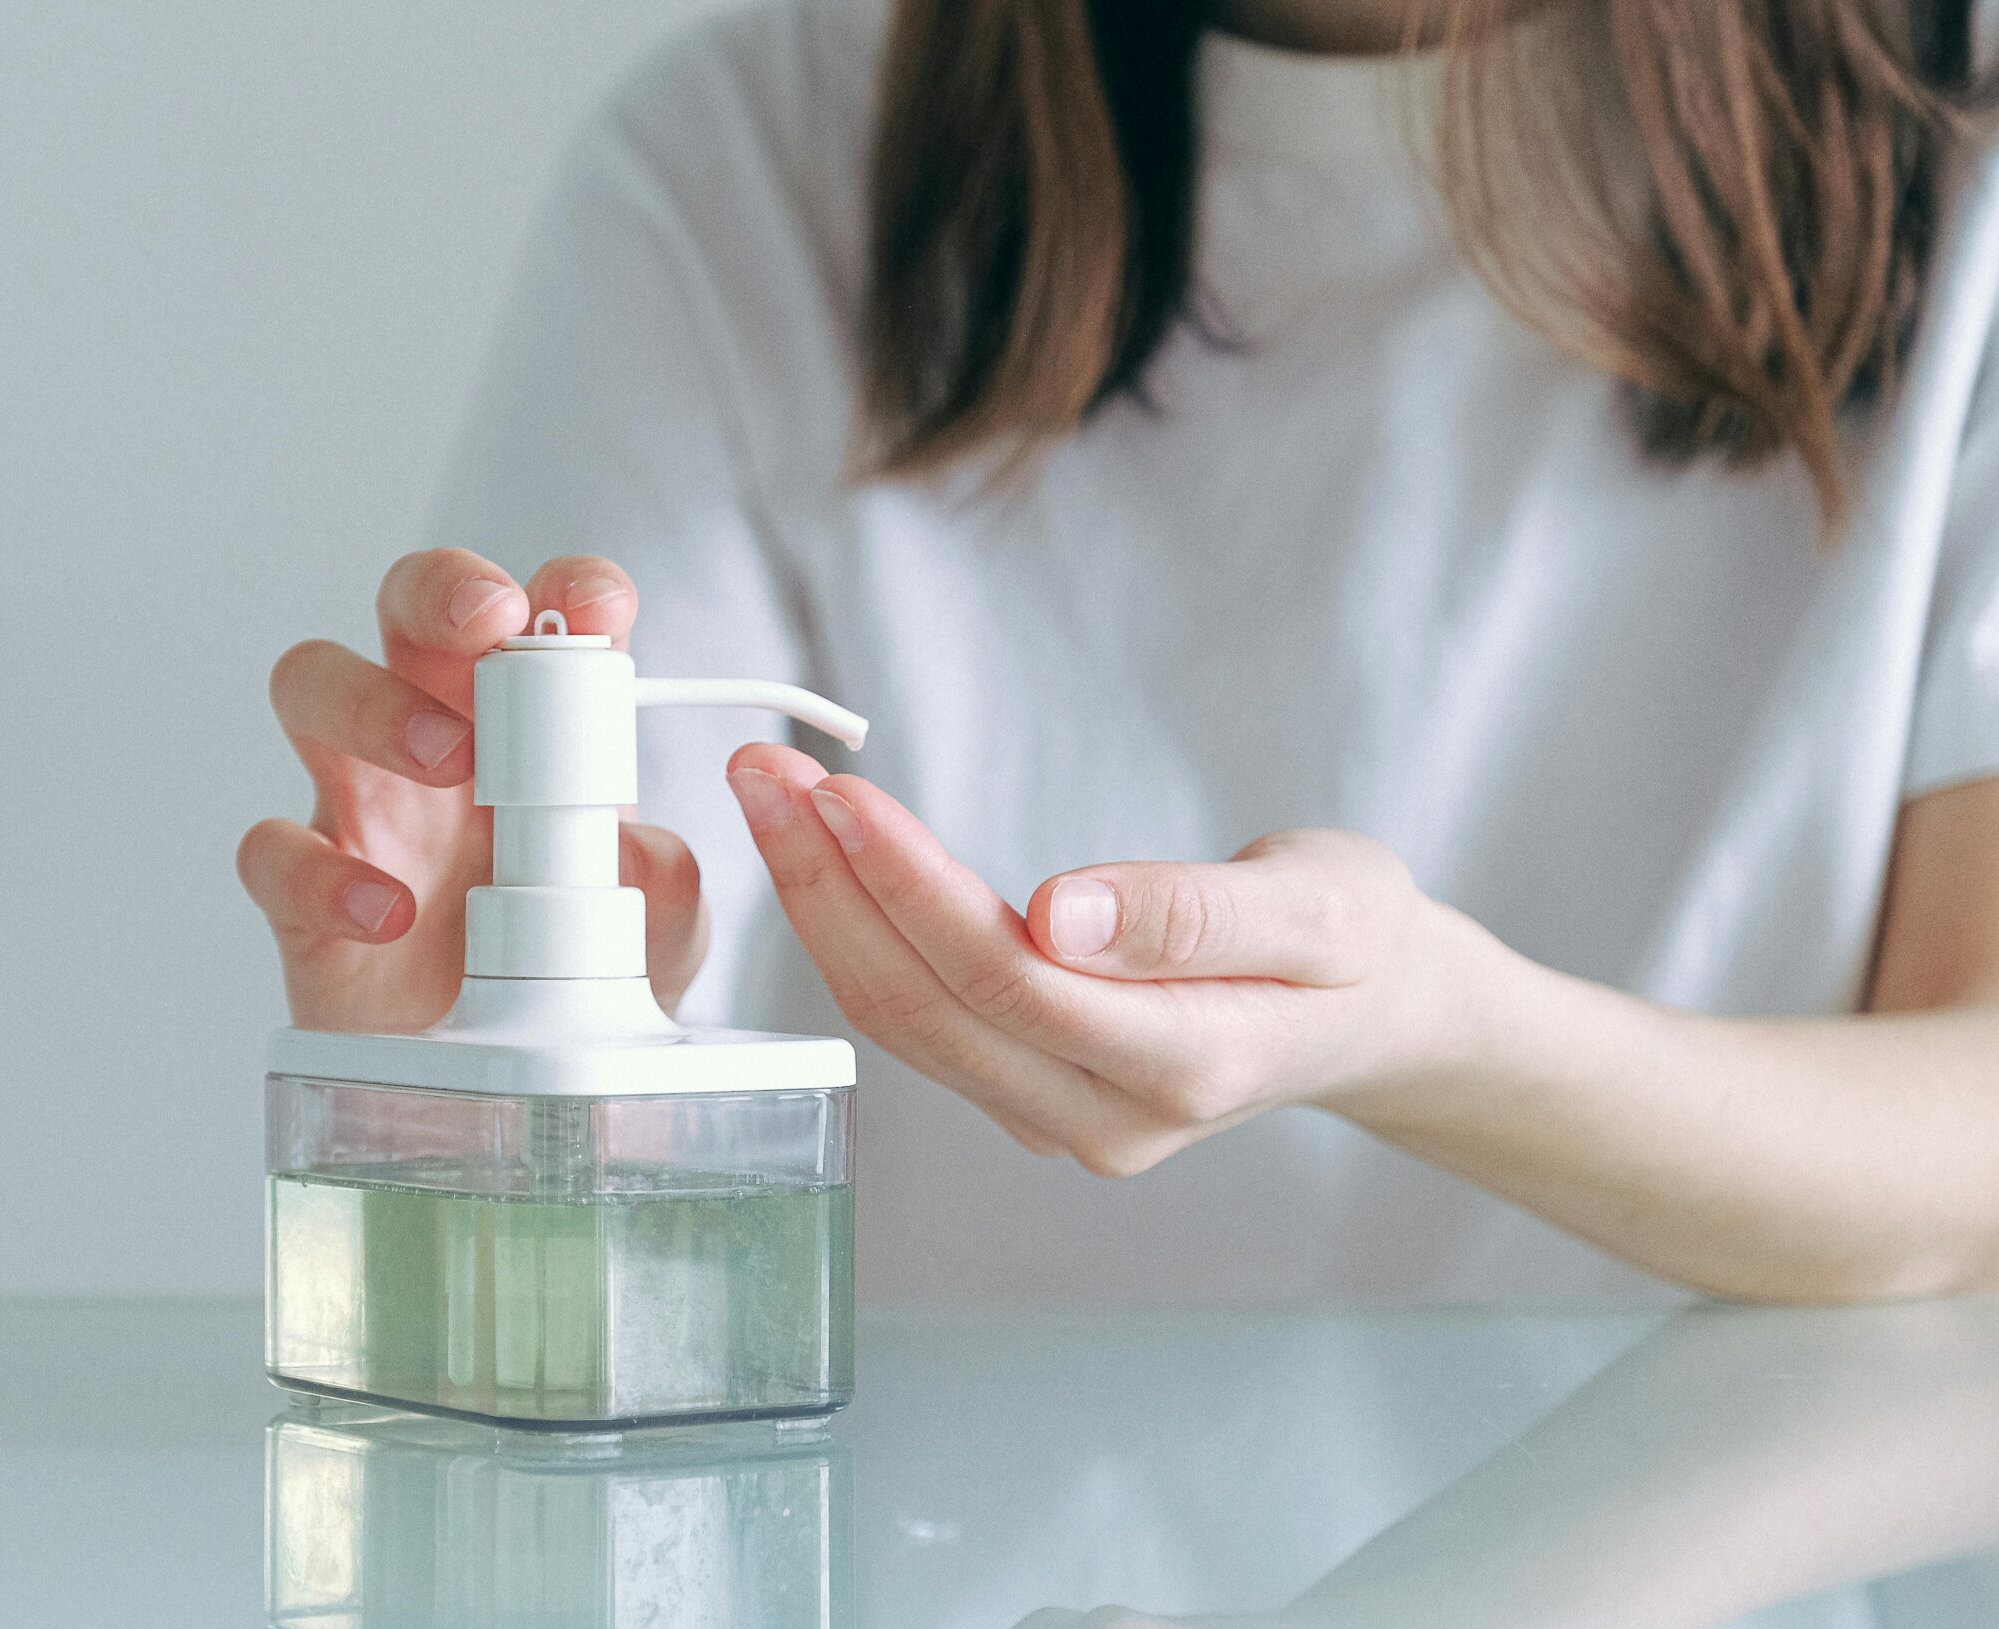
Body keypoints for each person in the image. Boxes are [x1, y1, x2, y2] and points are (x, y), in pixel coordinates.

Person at [240, 0, 1999, 1305]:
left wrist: (1438, 1031)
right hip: (950, 1618)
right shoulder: (747, 167)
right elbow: (570, 1159)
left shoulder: (1965, 168)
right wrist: (483, 1088)